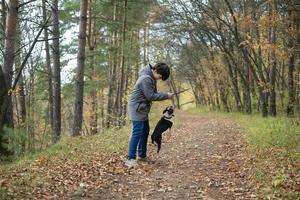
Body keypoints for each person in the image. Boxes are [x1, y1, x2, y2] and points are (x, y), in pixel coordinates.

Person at [125, 62, 174, 168]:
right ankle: (130, 159)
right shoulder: (146, 79)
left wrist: (166, 94)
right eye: (160, 77)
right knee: (137, 131)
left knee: (145, 130)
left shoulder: (151, 77)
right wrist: (166, 95)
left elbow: (152, 93)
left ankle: (142, 156)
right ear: (155, 71)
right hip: (137, 108)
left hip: (142, 108)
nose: (159, 79)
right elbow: (151, 96)